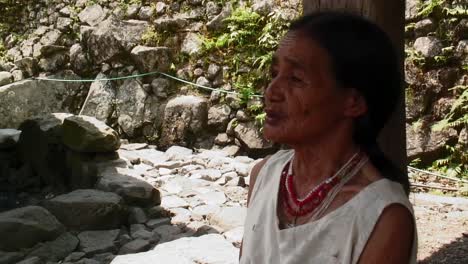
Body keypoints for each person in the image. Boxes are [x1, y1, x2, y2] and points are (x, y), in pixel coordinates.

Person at [239, 11, 417, 264]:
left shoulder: (382, 216)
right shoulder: (264, 176)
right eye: (274, 74)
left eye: (296, 79)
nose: (271, 91)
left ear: (352, 102)